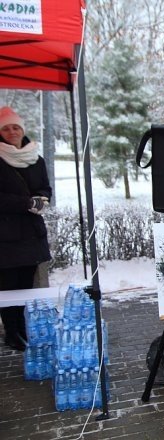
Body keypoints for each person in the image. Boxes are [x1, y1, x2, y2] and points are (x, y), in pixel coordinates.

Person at [0, 106, 51, 352]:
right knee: (7, 286)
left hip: (31, 233)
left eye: (15, 127)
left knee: (25, 285)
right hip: (6, 237)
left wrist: (41, 199)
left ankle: (21, 327)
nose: (12, 132)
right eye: (6, 128)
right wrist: (25, 203)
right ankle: (11, 331)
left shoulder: (35, 158)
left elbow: (45, 187)